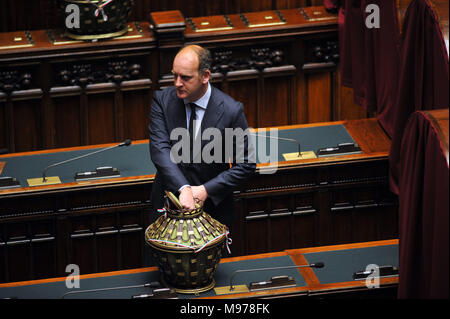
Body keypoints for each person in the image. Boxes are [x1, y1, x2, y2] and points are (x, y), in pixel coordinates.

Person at [148, 44, 256, 230]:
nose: (177, 83)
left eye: (185, 78)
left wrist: (205, 190)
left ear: (205, 76)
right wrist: (184, 188)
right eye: (174, 75)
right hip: (167, 207)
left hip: (213, 211)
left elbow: (246, 164)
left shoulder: (231, 110)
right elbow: (160, 150)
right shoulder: (162, 100)